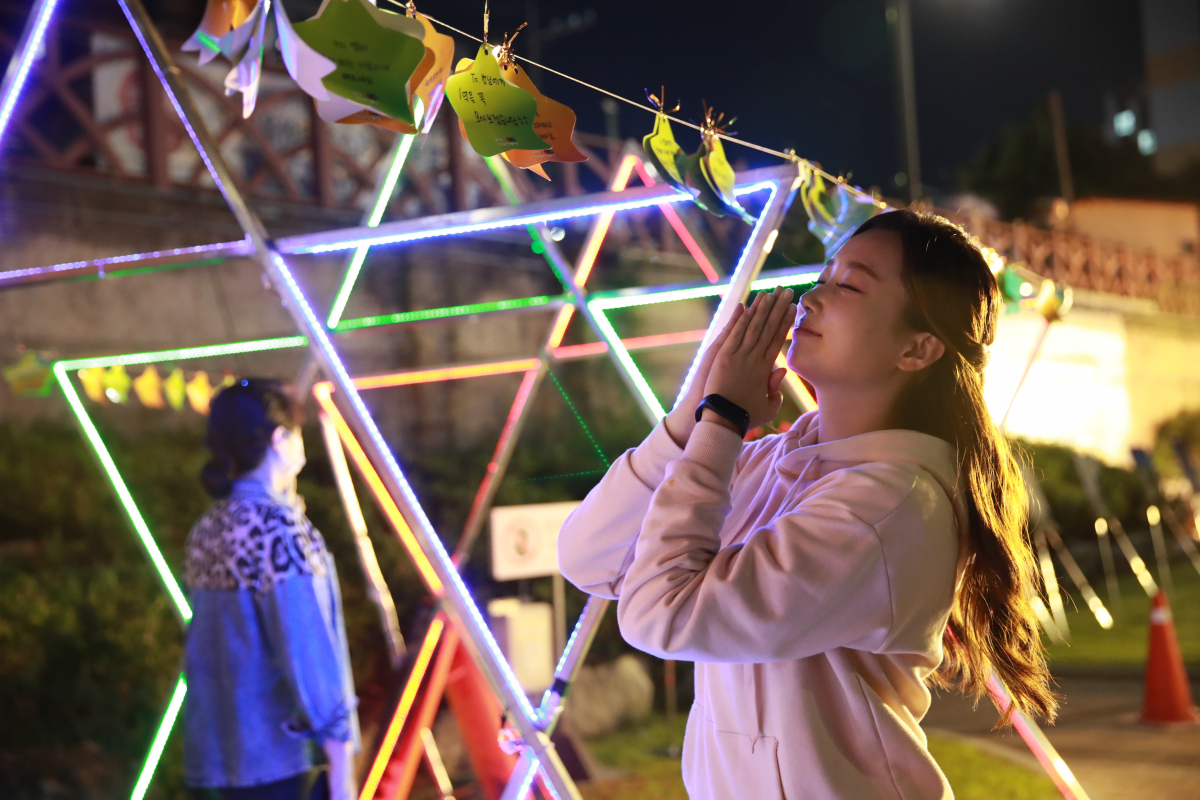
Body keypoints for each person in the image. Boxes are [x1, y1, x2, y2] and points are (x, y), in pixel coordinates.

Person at [558, 210, 1056, 799]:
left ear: (918, 349)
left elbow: (662, 615)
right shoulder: (771, 460)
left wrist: (719, 420)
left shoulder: (891, 506)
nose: (811, 297)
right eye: (824, 275)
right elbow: (589, 558)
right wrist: (691, 416)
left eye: (849, 284)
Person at [183, 379, 359, 800]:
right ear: (280, 439)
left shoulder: (209, 526)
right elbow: (308, 650)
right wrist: (341, 759)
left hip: (217, 757)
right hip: (279, 758)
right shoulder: (278, 531)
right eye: (297, 433)